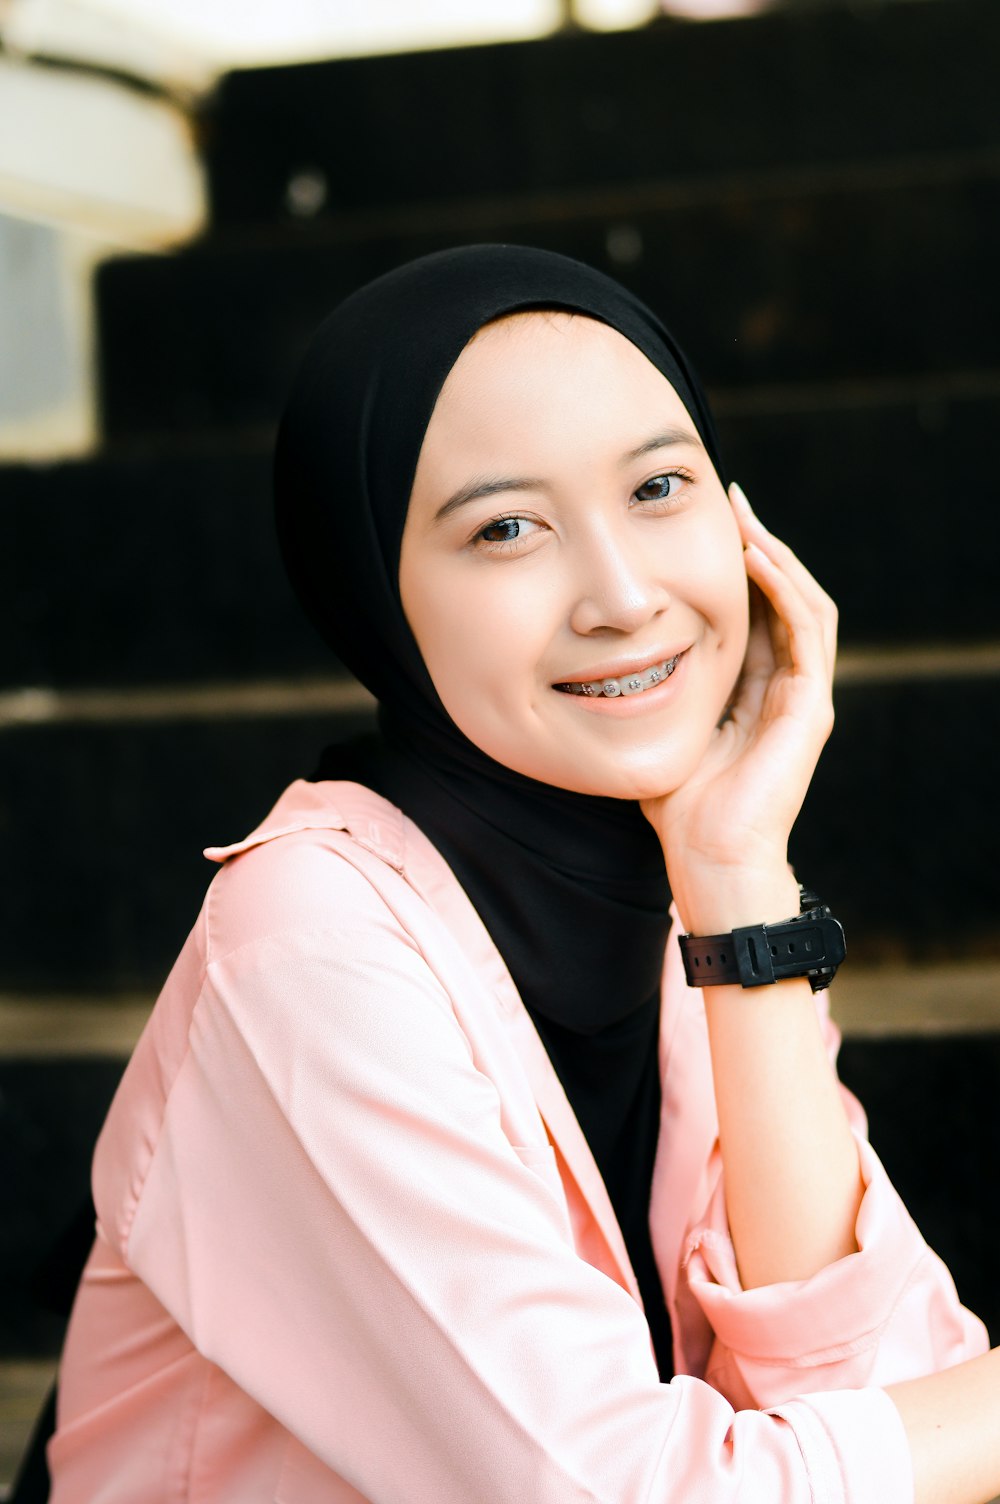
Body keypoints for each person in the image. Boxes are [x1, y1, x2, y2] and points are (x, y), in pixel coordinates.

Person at [46, 245, 999, 1503]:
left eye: (661, 487)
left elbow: (872, 1378)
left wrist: (735, 877)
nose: (620, 594)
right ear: (372, 592)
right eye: (506, 528)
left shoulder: (682, 890)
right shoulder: (308, 943)